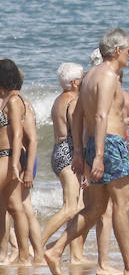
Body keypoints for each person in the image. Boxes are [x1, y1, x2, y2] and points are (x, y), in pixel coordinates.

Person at [43, 29, 129, 275]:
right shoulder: (107, 77)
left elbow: (78, 115)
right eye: (128, 50)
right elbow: (101, 114)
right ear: (117, 51)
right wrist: (97, 156)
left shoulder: (89, 76)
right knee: (122, 205)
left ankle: (56, 249)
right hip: (110, 144)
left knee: (95, 208)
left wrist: (81, 151)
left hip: (95, 143)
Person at [38, 63, 85, 260]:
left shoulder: (59, 99)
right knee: (70, 208)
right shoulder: (73, 101)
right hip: (68, 154)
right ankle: (38, 247)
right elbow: (77, 133)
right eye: (82, 78)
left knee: (77, 206)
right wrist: (81, 156)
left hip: (58, 153)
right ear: (74, 82)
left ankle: (73, 254)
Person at [0, 60, 28, 263]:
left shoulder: (14, 100)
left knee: (14, 207)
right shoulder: (7, 99)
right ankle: (16, 255)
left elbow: (18, 133)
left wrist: (14, 164)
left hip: (8, 155)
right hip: (6, 155)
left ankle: (24, 255)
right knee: (13, 207)